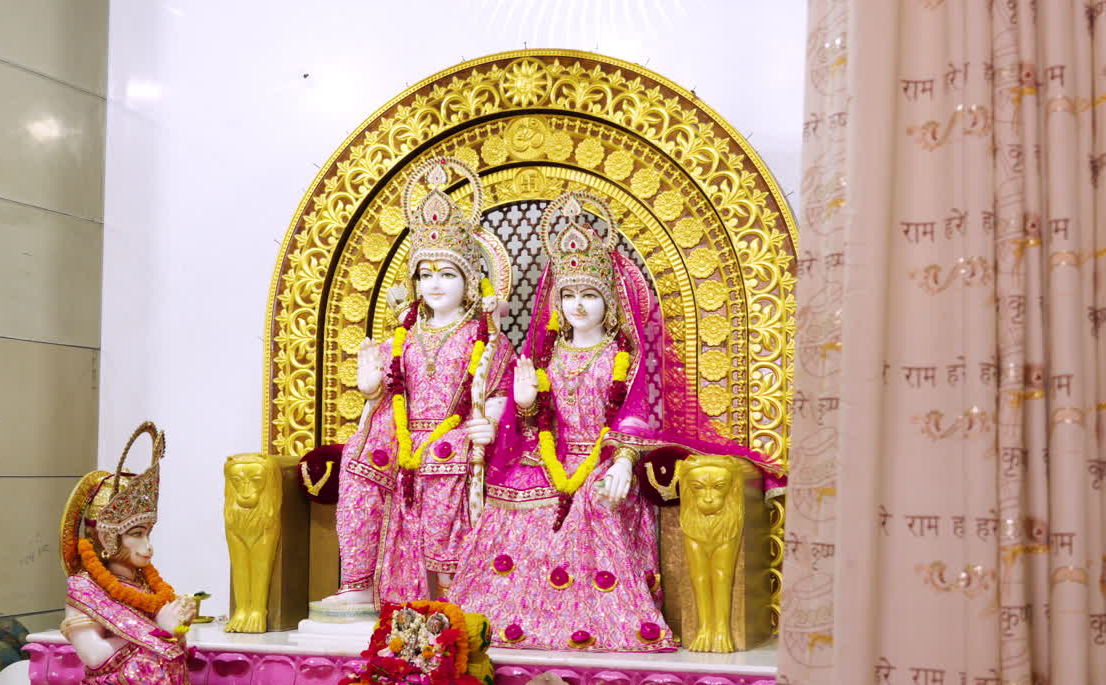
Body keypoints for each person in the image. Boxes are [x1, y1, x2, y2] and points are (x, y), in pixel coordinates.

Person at [448, 191, 783, 651]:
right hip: (548, 457)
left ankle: (590, 622)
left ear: (611, 300)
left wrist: (623, 462)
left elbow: (635, 414)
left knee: (593, 498)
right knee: (511, 502)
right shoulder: (546, 356)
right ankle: (506, 620)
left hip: (604, 458)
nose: (578, 306)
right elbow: (531, 426)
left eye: (589, 295)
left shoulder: (622, 357)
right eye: (569, 296)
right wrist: (524, 404)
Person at [322, 157, 514, 607]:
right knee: (358, 463)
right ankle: (360, 584)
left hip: (458, 432)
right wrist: (371, 389)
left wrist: (492, 421)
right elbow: (392, 389)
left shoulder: (486, 338)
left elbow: (501, 391)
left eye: (446, 274)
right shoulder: (402, 337)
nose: (434, 284)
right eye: (426, 275)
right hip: (402, 431)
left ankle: (452, 589)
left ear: (469, 282)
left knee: (445, 469)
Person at [58, 422, 230, 685]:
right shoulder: (84, 589)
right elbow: (94, 656)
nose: (148, 546)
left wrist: (177, 625)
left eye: (148, 533)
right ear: (107, 537)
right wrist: (156, 629)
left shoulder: (144, 582)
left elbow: (163, 646)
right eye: (136, 534)